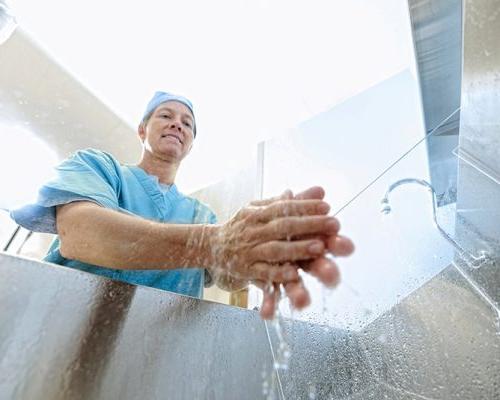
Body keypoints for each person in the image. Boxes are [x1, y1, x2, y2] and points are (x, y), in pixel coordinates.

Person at [10, 91, 354, 319]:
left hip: (162, 357)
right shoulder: (99, 168)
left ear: (190, 143)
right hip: (61, 336)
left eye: (187, 122)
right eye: (165, 116)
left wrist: (261, 255)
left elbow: (223, 274)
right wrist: (211, 243)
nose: (177, 123)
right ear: (142, 130)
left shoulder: (200, 215)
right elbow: (81, 233)